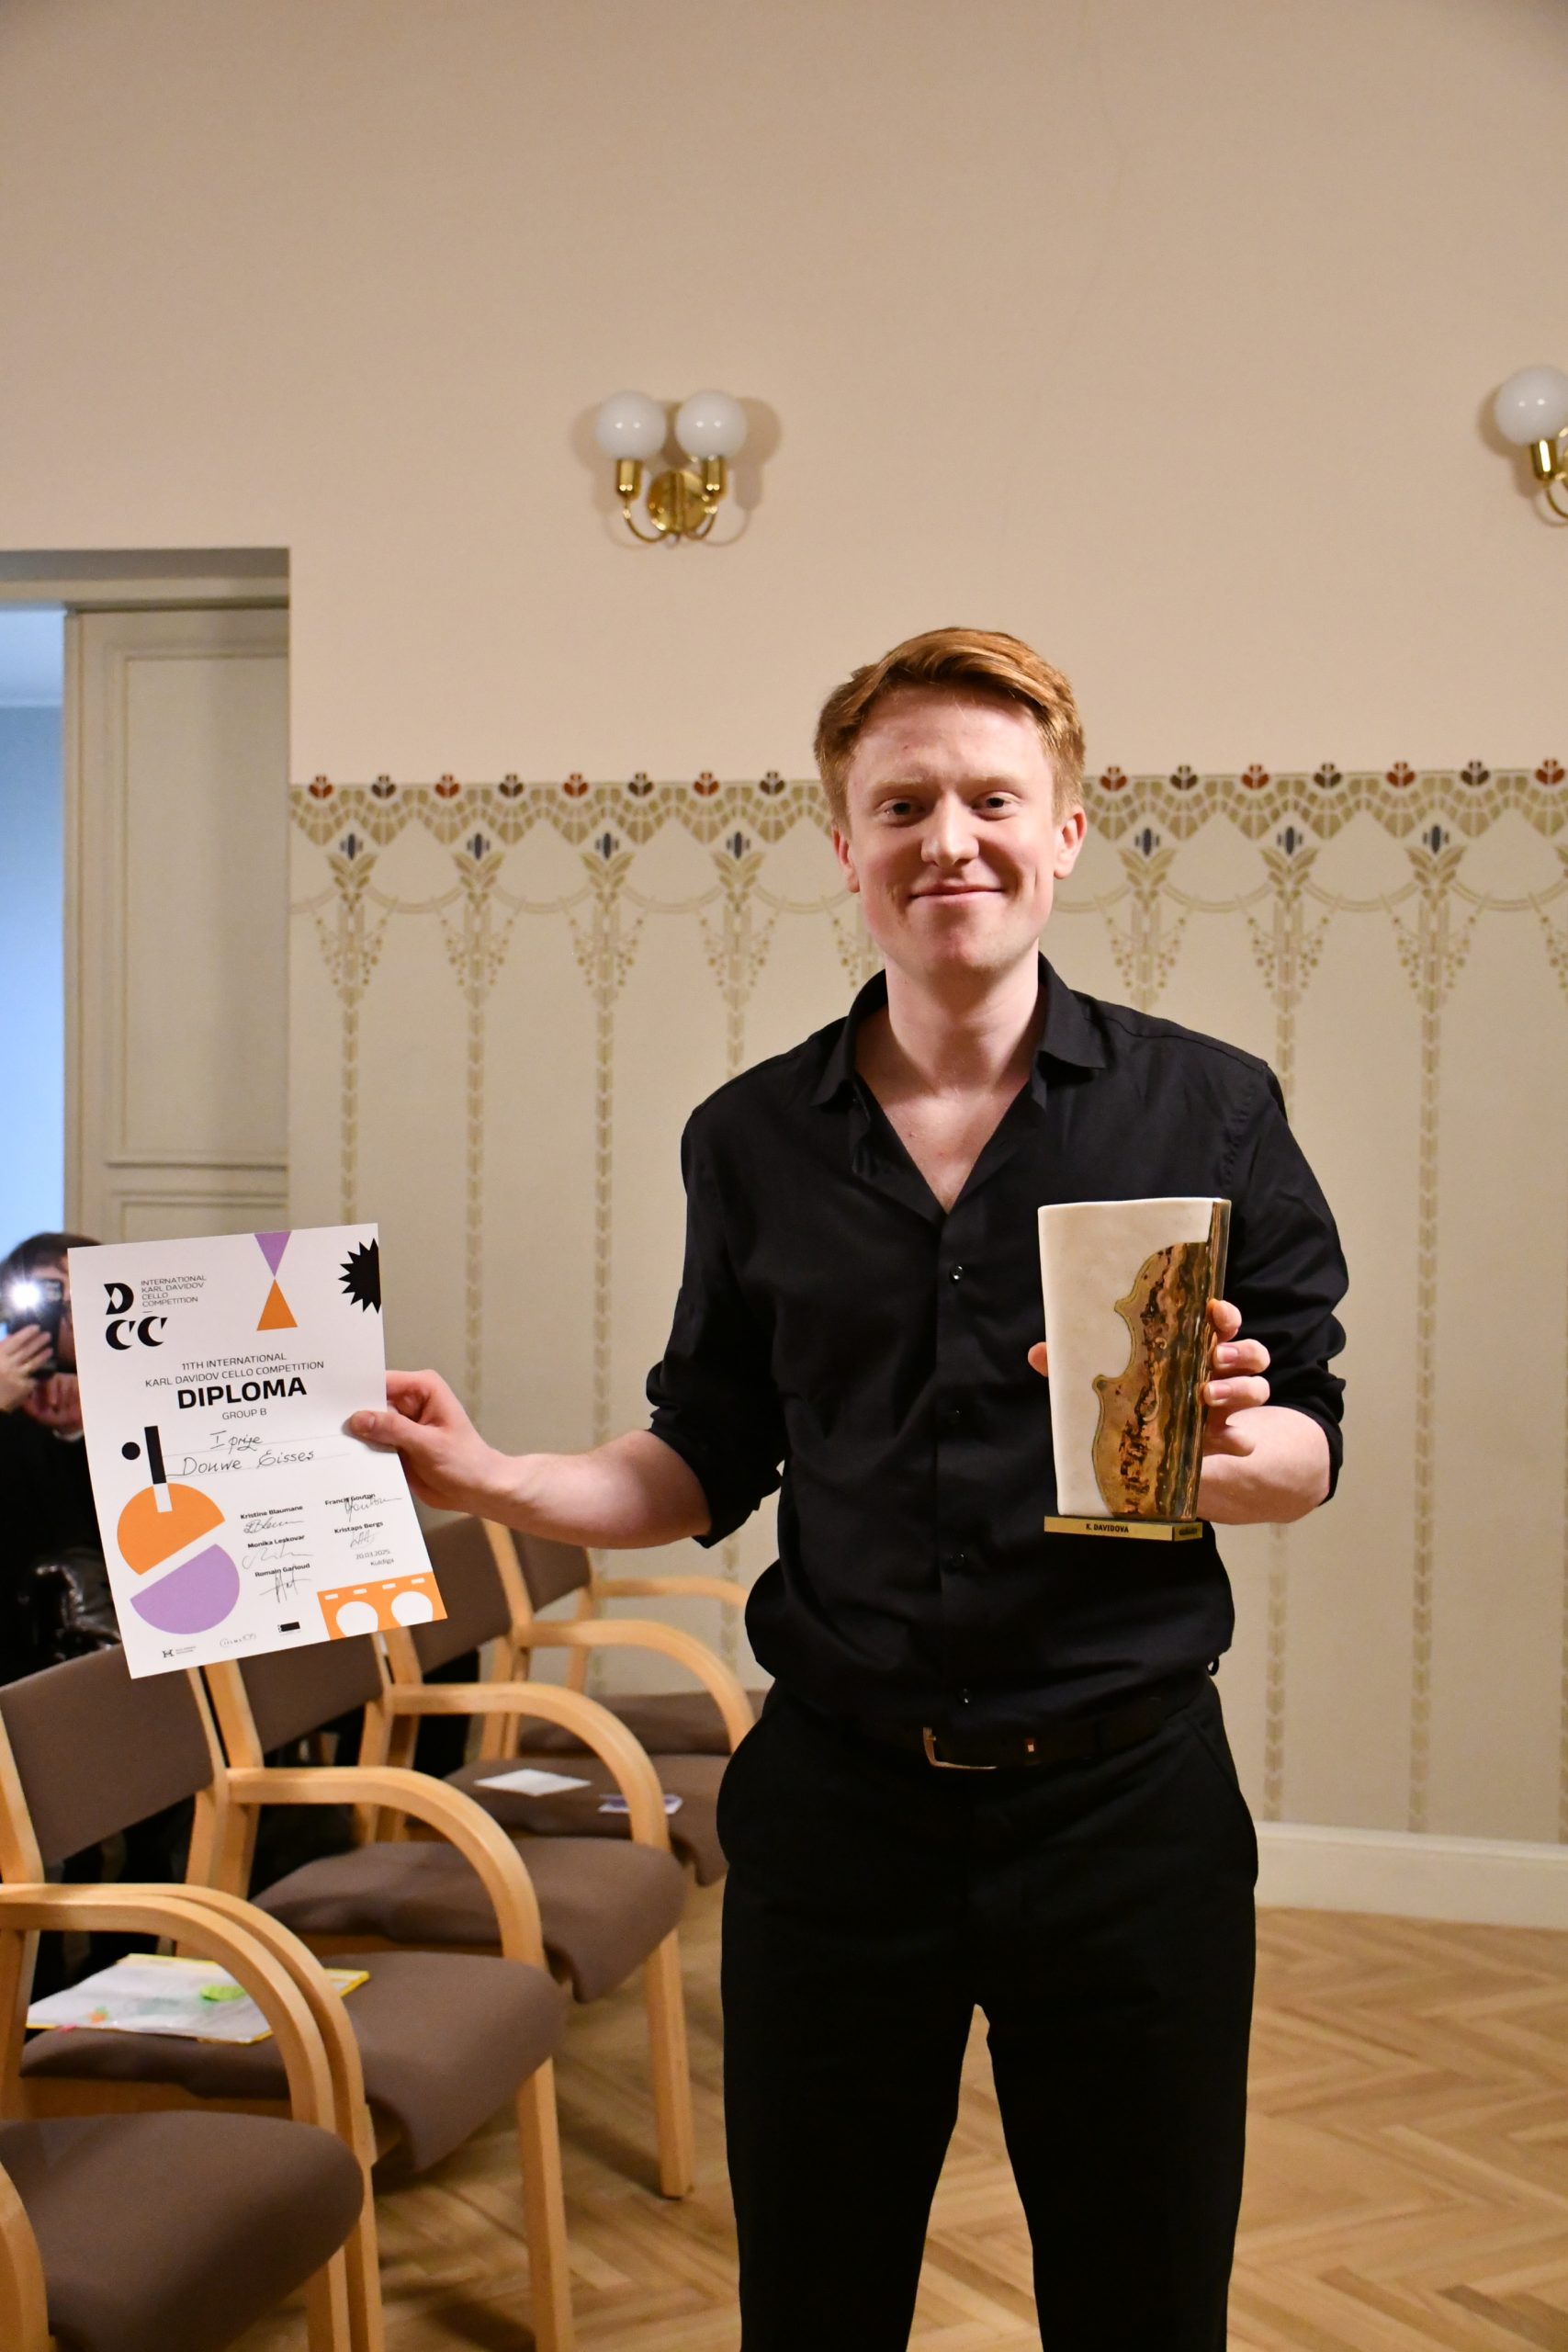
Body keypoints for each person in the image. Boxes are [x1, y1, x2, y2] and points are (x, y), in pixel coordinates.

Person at [351, 628, 1348, 2351]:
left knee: (1144, 2298)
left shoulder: (1211, 1107)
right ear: (844, 845)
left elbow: (1308, 1437)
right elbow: (700, 1455)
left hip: (1129, 1816)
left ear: (1066, 831)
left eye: (991, 800)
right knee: (816, 2299)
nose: (948, 839)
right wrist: (494, 1477)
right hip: (837, 1813)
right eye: (902, 806)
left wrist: (1240, 1465)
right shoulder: (750, 1138)